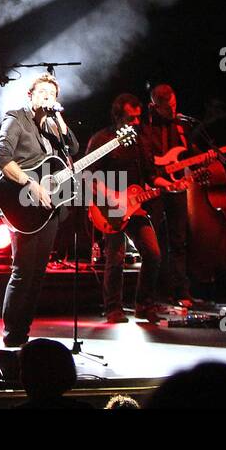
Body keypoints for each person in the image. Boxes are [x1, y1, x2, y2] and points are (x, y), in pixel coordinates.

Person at [0, 73, 79, 348]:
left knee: (38, 275)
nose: (47, 97)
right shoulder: (16, 118)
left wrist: (60, 120)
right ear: (30, 95)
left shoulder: (53, 126)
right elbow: (1, 157)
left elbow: (73, 148)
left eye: (51, 94)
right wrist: (30, 183)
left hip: (47, 207)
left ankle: (23, 334)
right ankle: (11, 338)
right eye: (41, 92)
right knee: (23, 272)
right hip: (20, 199)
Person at [88, 93, 169, 323]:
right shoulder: (102, 139)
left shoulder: (142, 140)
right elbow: (88, 177)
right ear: (118, 117)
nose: (135, 122)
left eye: (137, 118)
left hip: (136, 205)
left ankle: (144, 305)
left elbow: (152, 175)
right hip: (109, 206)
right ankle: (113, 308)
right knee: (116, 257)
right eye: (130, 118)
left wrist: (170, 185)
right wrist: (112, 196)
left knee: (153, 253)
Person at [142, 84, 201, 307]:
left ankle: (181, 291)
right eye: (169, 107)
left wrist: (200, 159)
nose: (173, 110)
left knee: (178, 240)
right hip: (153, 188)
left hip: (176, 187)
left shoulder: (181, 126)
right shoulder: (145, 127)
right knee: (153, 242)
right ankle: (153, 294)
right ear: (155, 106)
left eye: (175, 105)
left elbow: (185, 155)